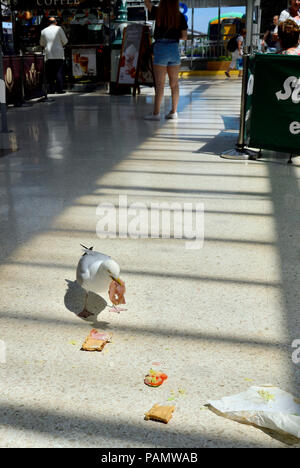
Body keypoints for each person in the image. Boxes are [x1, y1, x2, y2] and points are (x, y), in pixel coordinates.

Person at [143, 0, 188, 120]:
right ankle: (173, 112)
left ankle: (156, 114)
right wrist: (173, 36)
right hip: (173, 48)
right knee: (174, 84)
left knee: (160, 85)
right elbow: (184, 36)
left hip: (161, 48)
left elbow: (147, 3)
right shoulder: (181, 16)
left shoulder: (158, 12)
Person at [40, 17, 68, 94]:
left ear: (48, 23)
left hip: (49, 54)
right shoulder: (59, 29)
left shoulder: (43, 31)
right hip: (59, 54)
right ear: (55, 22)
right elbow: (65, 41)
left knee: (50, 73)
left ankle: (52, 89)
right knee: (59, 72)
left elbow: (41, 43)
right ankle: (59, 89)